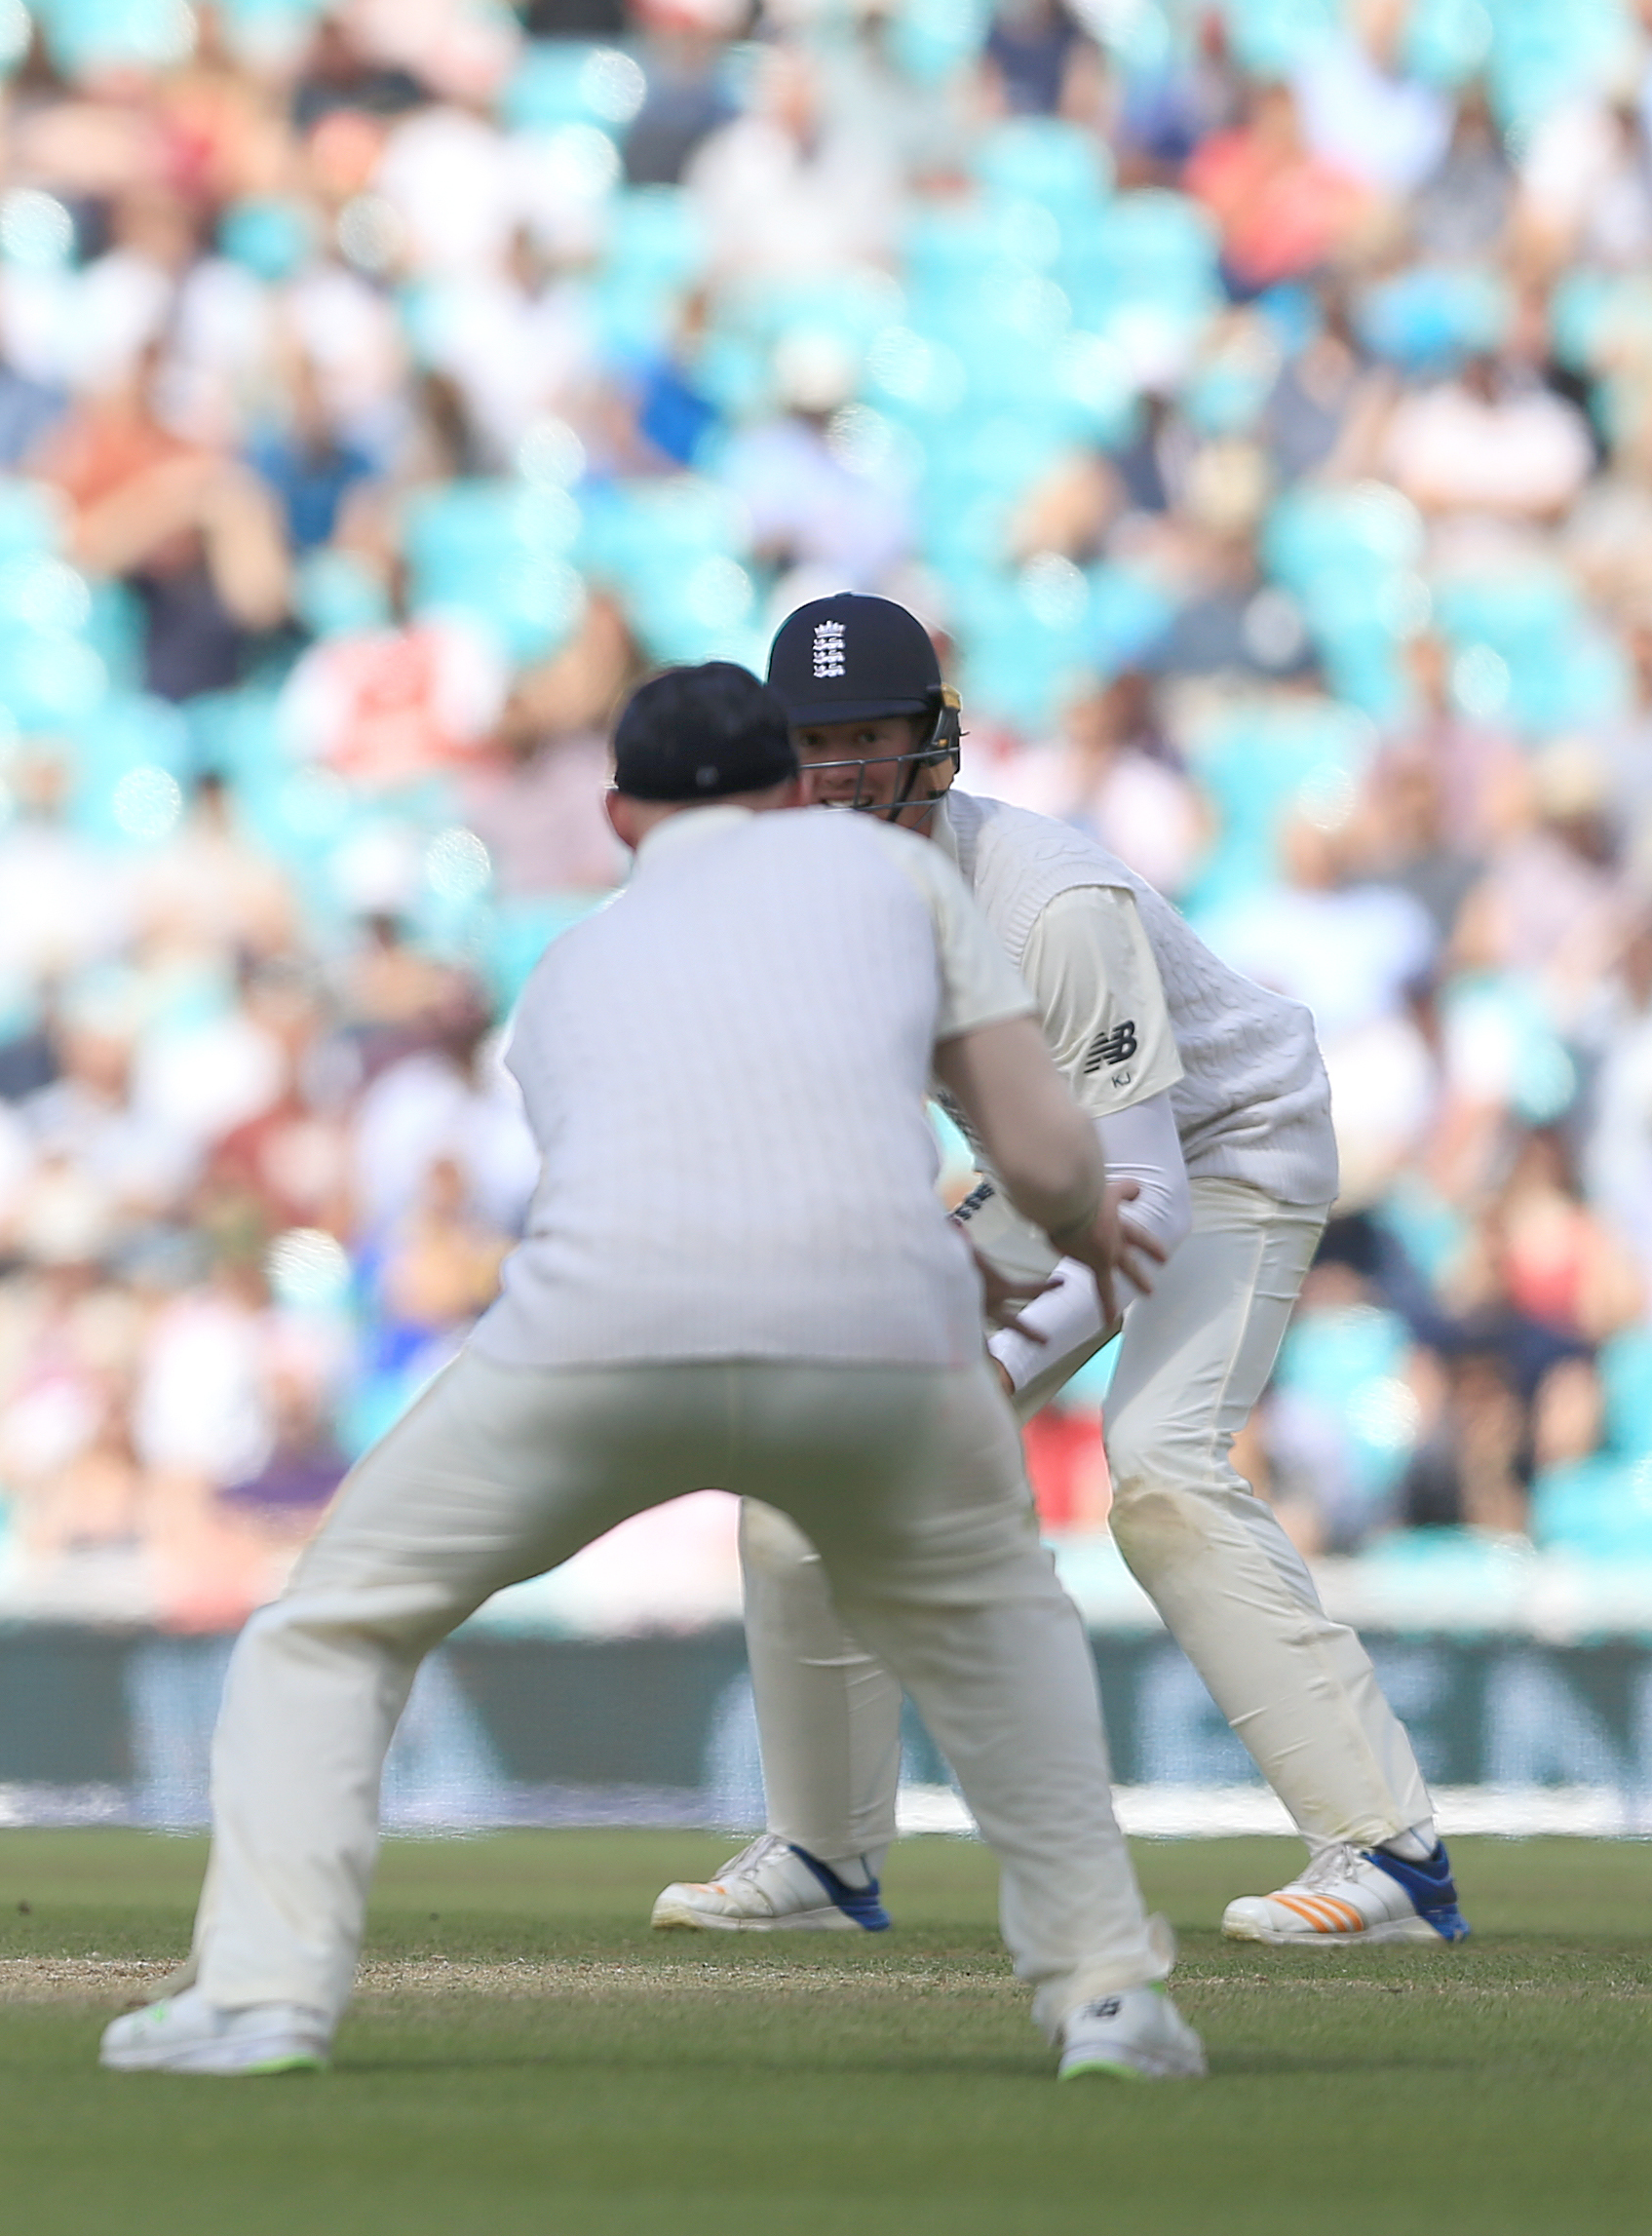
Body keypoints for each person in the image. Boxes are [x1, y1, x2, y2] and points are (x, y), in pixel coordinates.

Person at [105, 665, 1201, 2080]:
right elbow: (1048, 1161)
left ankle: (261, 2001)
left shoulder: (564, 970)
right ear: (789, 784)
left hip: (595, 1337)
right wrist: (1062, 1231)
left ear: (619, 812)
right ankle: (1106, 2000)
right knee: (1002, 1635)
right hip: (874, 1342)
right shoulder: (900, 884)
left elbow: (644, 1186)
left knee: (329, 1625)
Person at [650, 595, 1463, 1950]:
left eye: (871, 738)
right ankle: (824, 1852)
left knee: (1158, 1464)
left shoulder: (1048, 905)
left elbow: (1138, 1194)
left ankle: (1392, 1859)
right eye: (815, 744)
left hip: (1221, 1148)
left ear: (936, 748)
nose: (844, 776)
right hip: (1048, 1165)